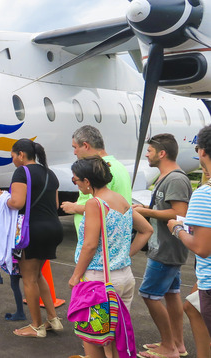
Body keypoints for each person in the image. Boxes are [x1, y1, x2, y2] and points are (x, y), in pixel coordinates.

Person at [70, 155, 152, 358]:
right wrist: (126, 253)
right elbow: (147, 230)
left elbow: (89, 245)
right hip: (123, 277)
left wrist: (75, 276)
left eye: (76, 180)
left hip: (98, 282)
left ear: (87, 182)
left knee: (93, 341)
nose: (76, 184)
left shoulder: (94, 204)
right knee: (115, 339)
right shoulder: (121, 199)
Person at [0, 138, 63, 338]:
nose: (13, 160)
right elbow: (56, 203)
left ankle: (36, 326)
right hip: (53, 229)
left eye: (13, 156)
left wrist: (2, 198)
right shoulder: (50, 173)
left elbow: (16, 202)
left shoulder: (22, 172)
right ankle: (53, 319)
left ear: (21, 155)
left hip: (33, 231)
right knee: (38, 274)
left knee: (29, 279)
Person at [133, 134, 192, 358]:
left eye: (149, 151)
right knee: (171, 293)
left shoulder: (175, 179)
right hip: (166, 246)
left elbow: (179, 213)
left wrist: (143, 211)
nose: (146, 154)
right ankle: (177, 343)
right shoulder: (165, 177)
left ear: (162, 153)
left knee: (148, 294)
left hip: (167, 249)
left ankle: (168, 348)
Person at [169, 125, 211, 340]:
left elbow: (202, 248)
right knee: (191, 308)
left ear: (202, 151)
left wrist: (177, 229)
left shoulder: (205, 193)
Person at [61, 125, 132, 236]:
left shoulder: (99, 170)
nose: (74, 152)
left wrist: (74, 207)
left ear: (85, 145)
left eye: (75, 147)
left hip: (98, 240)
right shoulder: (118, 165)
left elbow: (102, 208)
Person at [0, 246, 26, 321]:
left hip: (15, 256)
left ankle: (20, 313)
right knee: (16, 284)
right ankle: (20, 312)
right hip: (22, 256)